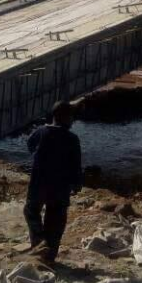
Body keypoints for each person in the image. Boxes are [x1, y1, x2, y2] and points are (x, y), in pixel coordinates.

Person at [23, 101, 83, 264]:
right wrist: (77, 183)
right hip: (60, 187)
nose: (72, 121)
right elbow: (76, 164)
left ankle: (39, 242)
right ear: (64, 117)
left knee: (31, 211)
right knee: (55, 221)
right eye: (71, 117)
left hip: (38, 184)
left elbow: (30, 146)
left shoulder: (40, 132)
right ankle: (49, 255)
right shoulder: (72, 138)